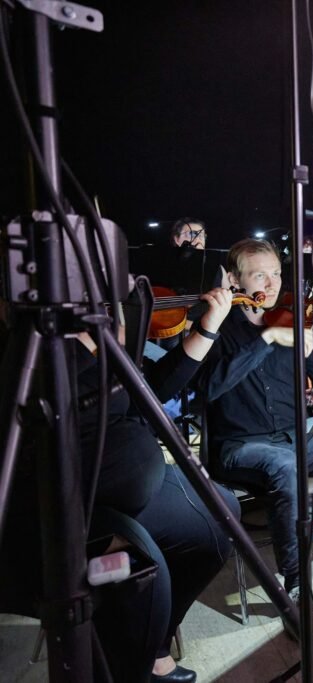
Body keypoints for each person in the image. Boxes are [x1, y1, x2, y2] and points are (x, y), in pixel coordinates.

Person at [0, 287, 240, 683]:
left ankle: (155, 648)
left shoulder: (98, 329)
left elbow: (151, 393)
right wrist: (85, 343)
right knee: (142, 572)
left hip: (126, 489)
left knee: (220, 516)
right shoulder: (27, 341)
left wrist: (208, 330)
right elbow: (24, 406)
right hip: (55, 507)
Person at [202, 238, 313, 610]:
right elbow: (208, 388)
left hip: (297, 437)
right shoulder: (216, 326)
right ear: (236, 280)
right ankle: (297, 588)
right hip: (240, 446)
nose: (271, 286)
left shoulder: (295, 324)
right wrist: (267, 339)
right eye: (259, 275)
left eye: (277, 275)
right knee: (286, 467)